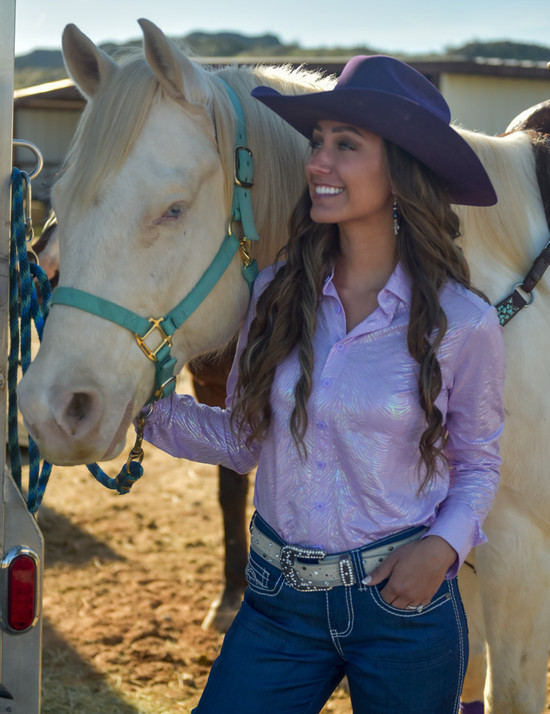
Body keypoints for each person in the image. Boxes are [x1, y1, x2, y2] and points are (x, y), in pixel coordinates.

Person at [140, 55, 505, 714]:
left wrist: (442, 548)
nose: (318, 161)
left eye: (346, 145)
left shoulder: (464, 321)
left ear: (399, 171)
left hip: (404, 609)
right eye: (317, 142)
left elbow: (477, 460)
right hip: (279, 608)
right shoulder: (276, 292)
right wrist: (142, 411)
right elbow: (246, 440)